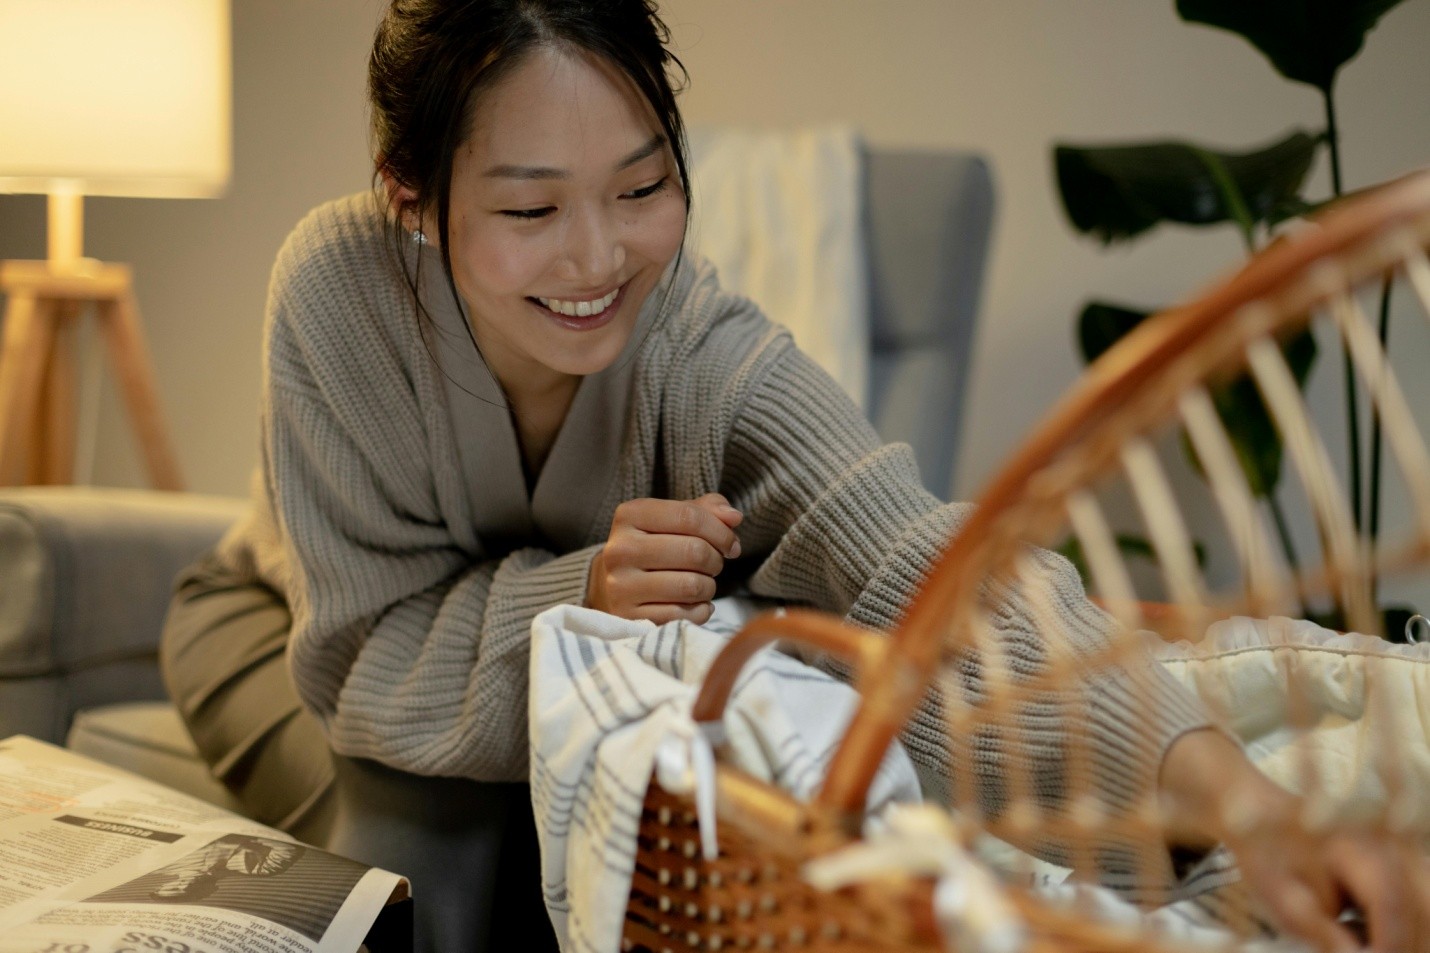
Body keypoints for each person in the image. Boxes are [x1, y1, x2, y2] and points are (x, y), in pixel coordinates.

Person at [161, 1, 1427, 951]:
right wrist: (573, 596)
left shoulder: (699, 350)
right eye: (530, 210)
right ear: (411, 196)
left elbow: (923, 566)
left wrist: (1248, 804)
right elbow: (363, 651)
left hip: (461, 674)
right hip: (276, 635)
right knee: (431, 876)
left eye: (644, 184)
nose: (599, 255)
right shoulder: (334, 290)